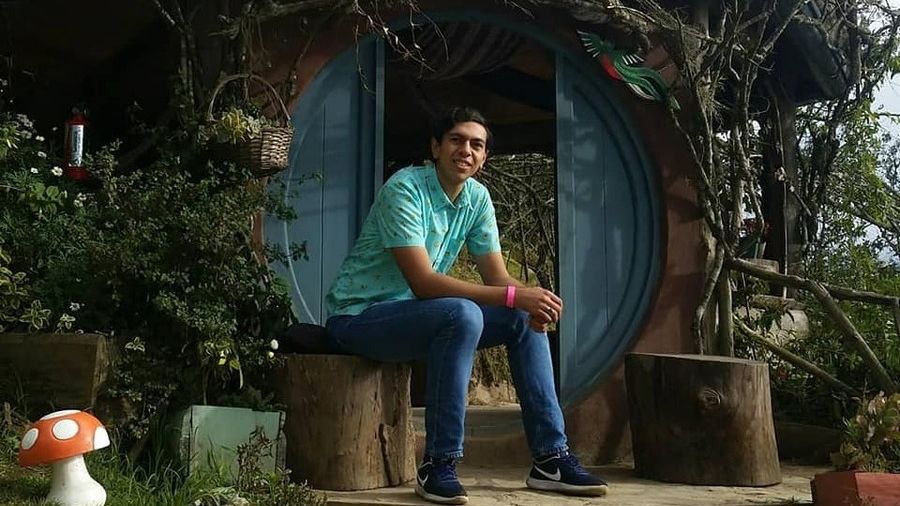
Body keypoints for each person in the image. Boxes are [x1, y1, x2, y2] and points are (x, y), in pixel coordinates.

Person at [324, 106, 608, 504]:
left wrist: (532, 301)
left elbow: (498, 279)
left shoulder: (477, 198)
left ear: (484, 158)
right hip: (359, 319)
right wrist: (514, 295)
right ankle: (439, 464)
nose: (466, 151)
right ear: (436, 147)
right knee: (461, 313)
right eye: (456, 140)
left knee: (520, 317)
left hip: (419, 317)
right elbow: (424, 283)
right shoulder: (405, 188)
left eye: (477, 145)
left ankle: (550, 458)